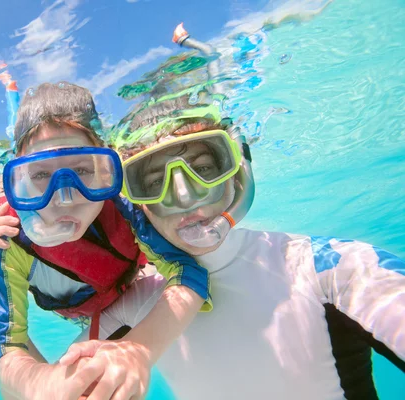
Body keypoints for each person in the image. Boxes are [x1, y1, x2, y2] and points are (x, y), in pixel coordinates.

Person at [60, 85, 405, 399]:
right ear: (136, 206)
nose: (184, 196)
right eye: (153, 182)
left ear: (237, 170)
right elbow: (45, 387)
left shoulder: (328, 268)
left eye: (205, 168)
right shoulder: (138, 304)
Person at [0, 82, 212, 400]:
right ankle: (11, 92)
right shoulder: (9, 237)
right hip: (78, 311)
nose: (65, 198)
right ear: (18, 178)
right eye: (41, 175)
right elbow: (6, 344)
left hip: (131, 286)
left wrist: (138, 351)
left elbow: (187, 271)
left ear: (105, 169)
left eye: (82, 169)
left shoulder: (124, 207)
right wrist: (43, 383)